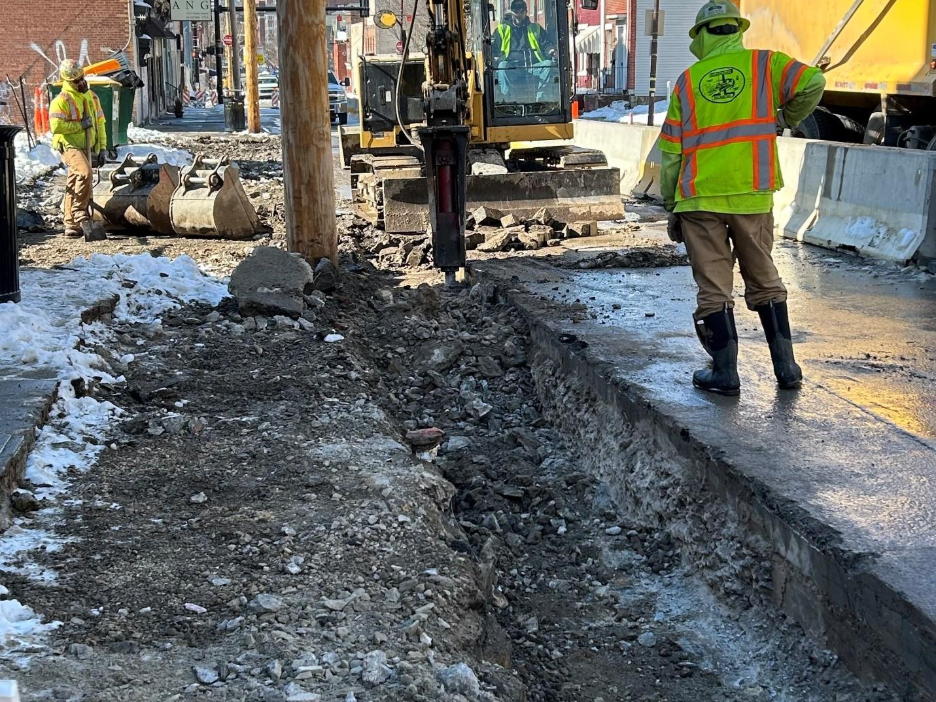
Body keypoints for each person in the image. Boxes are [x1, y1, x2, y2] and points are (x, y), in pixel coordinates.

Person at [659, 1, 825, 396]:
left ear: (700, 35)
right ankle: (786, 369)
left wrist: (671, 204)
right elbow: (813, 82)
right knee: (765, 278)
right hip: (752, 193)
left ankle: (725, 374)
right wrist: (785, 117)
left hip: (700, 199)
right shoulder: (765, 64)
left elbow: (670, 152)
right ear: (737, 29)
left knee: (714, 287)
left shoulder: (687, 81)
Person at [49, 59, 106, 238]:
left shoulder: (92, 97)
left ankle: (71, 224)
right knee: (84, 173)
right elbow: (56, 127)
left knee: (73, 181)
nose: (81, 82)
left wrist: (102, 147)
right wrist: (80, 125)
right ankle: (79, 211)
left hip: (85, 145)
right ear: (68, 81)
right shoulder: (62, 100)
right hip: (69, 145)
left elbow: (100, 123)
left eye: (82, 78)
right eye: (76, 81)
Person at [492, 0, 556, 102]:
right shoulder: (501, 30)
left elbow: (546, 44)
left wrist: (551, 50)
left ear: (526, 12)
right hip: (512, 68)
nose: (519, 15)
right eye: (516, 12)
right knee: (502, 66)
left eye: (522, 12)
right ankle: (507, 101)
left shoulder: (535, 28)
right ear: (512, 12)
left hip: (533, 67)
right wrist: (494, 56)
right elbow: (493, 48)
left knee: (548, 64)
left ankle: (541, 100)